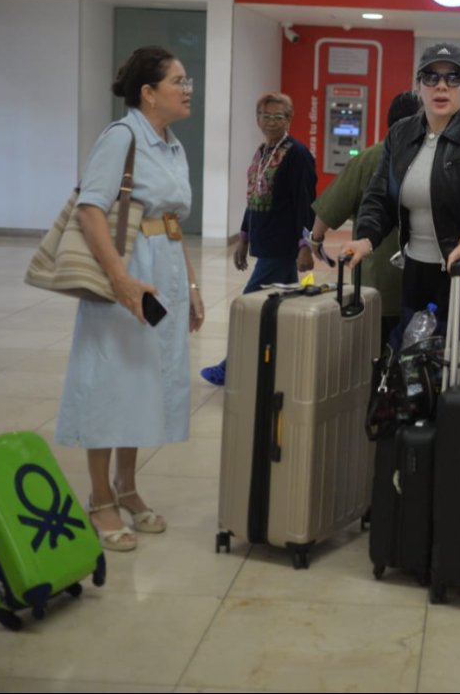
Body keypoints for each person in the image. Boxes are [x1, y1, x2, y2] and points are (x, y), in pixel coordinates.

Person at [57, 46, 205, 552]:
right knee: (109, 384)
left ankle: (128, 487)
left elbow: (171, 222)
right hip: (125, 271)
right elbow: (90, 210)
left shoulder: (171, 144)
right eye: (178, 81)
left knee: (143, 383)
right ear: (148, 92)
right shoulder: (121, 138)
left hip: (162, 268)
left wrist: (190, 284)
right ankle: (99, 499)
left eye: (188, 82)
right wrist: (120, 279)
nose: (188, 90)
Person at [343, 43, 460, 364]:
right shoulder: (400, 135)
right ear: (418, 85)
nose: (441, 86)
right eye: (431, 77)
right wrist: (366, 237)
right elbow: (379, 195)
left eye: (452, 78)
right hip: (416, 272)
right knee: (416, 364)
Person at [200, 92, 316, 386]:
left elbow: (305, 202)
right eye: (265, 116)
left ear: (289, 119)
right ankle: (280, 367)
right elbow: (253, 196)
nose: (271, 122)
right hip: (265, 244)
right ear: (257, 119)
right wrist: (244, 237)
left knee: (248, 308)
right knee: (279, 311)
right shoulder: (263, 152)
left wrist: (305, 245)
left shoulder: (297, 154)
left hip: (281, 246)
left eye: (278, 117)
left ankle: (233, 366)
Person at [309, 91, 420, 347]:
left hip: (375, 283)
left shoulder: (368, 159)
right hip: (420, 281)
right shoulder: (432, 160)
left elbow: (329, 209)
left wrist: (315, 240)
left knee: (373, 353)